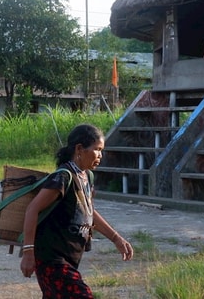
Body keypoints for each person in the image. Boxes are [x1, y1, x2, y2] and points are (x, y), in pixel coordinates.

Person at [20, 124, 133, 298]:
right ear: (79, 149)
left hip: (69, 258)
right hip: (50, 257)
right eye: (97, 150)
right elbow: (32, 209)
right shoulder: (63, 177)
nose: (100, 155)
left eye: (102, 150)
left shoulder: (86, 176)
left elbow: (88, 212)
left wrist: (116, 238)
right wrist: (28, 252)